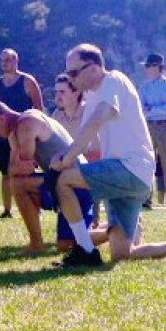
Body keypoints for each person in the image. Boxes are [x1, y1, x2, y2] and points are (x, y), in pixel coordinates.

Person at [51, 43, 166, 267]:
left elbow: (97, 120)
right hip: (130, 175)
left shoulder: (113, 80)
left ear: (92, 68)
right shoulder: (92, 95)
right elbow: (85, 135)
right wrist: (63, 154)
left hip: (128, 168)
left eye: (73, 72)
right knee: (122, 254)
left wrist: (68, 159)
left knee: (64, 181)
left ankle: (85, 252)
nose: (70, 79)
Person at [0, 101, 94, 254]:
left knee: (18, 184)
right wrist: (15, 165)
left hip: (78, 184)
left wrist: (15, 166)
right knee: (64, 245)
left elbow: (24, 168)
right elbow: (13, 169)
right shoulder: (15, 133)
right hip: (60, 182)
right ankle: (37, 243)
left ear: (2, 119)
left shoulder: (27, 123)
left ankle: (114, 232)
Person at [0, 48, 44, 219]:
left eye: (7, 59)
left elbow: (39, 109)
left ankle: (36, 208)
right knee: (6, 172)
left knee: (28, 171)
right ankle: (7, 210)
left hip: (25, 135)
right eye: (2, 60)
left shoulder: (28, 81)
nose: (4, 63)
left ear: (15, 61)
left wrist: (36, 131)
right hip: (4, 136)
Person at [52, 73, 103, 225]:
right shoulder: (56, 115)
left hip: (90, 171)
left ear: (76, 93)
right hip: (65, 171)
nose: (57, 97)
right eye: (56, 92)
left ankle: (94, 222)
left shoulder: (90, 113)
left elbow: (97, 153)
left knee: (88, 230)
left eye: (62, 92)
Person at [138, 53, 166, 208]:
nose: (147, 69)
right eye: (147, 66)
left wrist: (152, 109)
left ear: (159, 67)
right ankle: (146, 198)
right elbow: (142, 109)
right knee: (147, 162)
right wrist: (155, 109)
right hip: (148, 126)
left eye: (150, 66)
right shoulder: (143, 87)